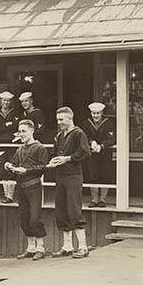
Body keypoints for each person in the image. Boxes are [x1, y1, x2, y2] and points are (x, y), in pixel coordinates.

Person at [48, 106, 91, 259]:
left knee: (74, 209)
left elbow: (85, 152)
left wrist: (67, 158)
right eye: (57, 119)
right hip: (60, 176)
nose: (59, 122)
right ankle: (67, 246)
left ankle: (83, 247)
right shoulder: (60, 136)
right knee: (62, 210)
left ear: (70, 118)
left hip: (73, 176)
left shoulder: (78, 133)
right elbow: (55, 152)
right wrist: (53, 160)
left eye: (61, 119)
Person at [5, 120, 49, 261]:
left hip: (34, 186)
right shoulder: (19, 149)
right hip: (21, 188)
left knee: (35, 218)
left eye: (24, 131)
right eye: (20, 132)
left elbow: (43, 168)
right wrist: (9, 166)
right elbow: (15, 165)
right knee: (24, 219)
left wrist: (26, 171)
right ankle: (30, 248)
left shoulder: (39, 148)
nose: (21, 134)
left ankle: (40, 248)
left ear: (32, 130)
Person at [0, 91, 21, 204]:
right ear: (0, 101)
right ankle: (5, 195)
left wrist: (5, 128)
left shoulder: (16, 113)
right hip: (0, 146)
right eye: (4, 100)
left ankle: (10, 196)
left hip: (12, 146)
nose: (6, 103)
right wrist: (6, 126)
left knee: (11, 168)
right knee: (2, 170)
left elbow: (17, 128)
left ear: (10, 101)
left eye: (8, 100)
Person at [83, 102, 116, 208]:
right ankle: (94, 199)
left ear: (102, 113)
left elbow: (112, 139)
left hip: (105, 154)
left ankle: (102, 199)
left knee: (105, 175)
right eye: (93, 113)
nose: (95, 116)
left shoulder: (109, 123)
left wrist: (101, 146)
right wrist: (91, 142)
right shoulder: (86, 124)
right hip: (92, 154)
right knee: (93, 175)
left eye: (98, 113)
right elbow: (84, 136)